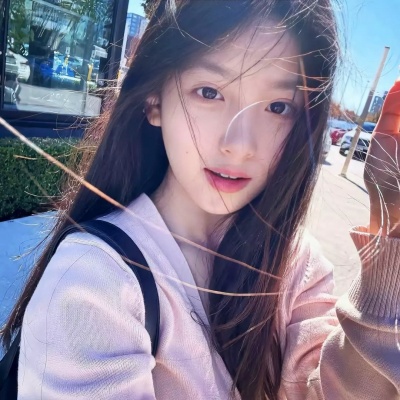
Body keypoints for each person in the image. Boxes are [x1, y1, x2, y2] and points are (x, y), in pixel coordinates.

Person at [1, 0, 399, 399]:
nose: (240, 144)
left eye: (278, 107)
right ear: (154, 100)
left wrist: (391, 220)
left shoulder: (296, 264)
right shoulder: (95, 282)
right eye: (209, 92)